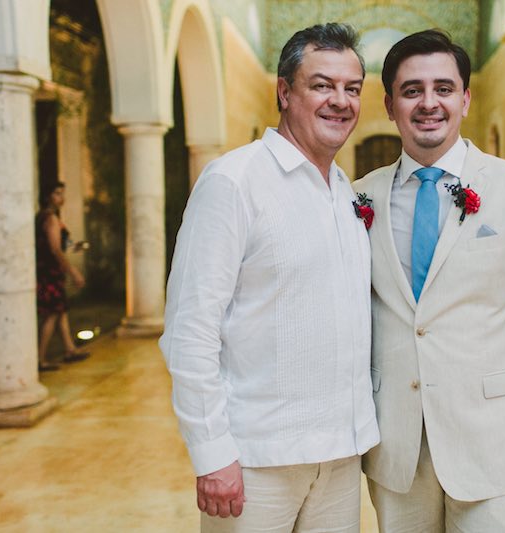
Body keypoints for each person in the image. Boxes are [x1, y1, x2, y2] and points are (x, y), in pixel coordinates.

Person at [352, 30, 505, 532]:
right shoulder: (358, 199)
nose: (429, 103)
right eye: (412, 90)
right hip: (396, 450)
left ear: (465, 98)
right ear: (390, 104)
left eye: (443, 88)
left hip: (495, 449)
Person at [159, 23, 379, 533]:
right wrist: (212, 453)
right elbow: (190, 330)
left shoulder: (346, 193)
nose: (340, 101)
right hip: (257, 461)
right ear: (284, 91)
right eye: (321, 84)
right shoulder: (233, 181)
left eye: (351, 88)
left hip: (341, 457)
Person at [35, 181, 90, 372]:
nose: (62, 197)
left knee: (60, 311)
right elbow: (55, 250)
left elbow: (59, 246)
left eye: (62, 193)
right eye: (57, 193)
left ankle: (69, 350)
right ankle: (40, 359)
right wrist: (73, 271)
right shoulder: (49, 218)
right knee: (51, 313)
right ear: (48, 195)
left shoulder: (46, 217)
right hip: (49, 273)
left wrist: (75, 247)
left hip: (50, 271)